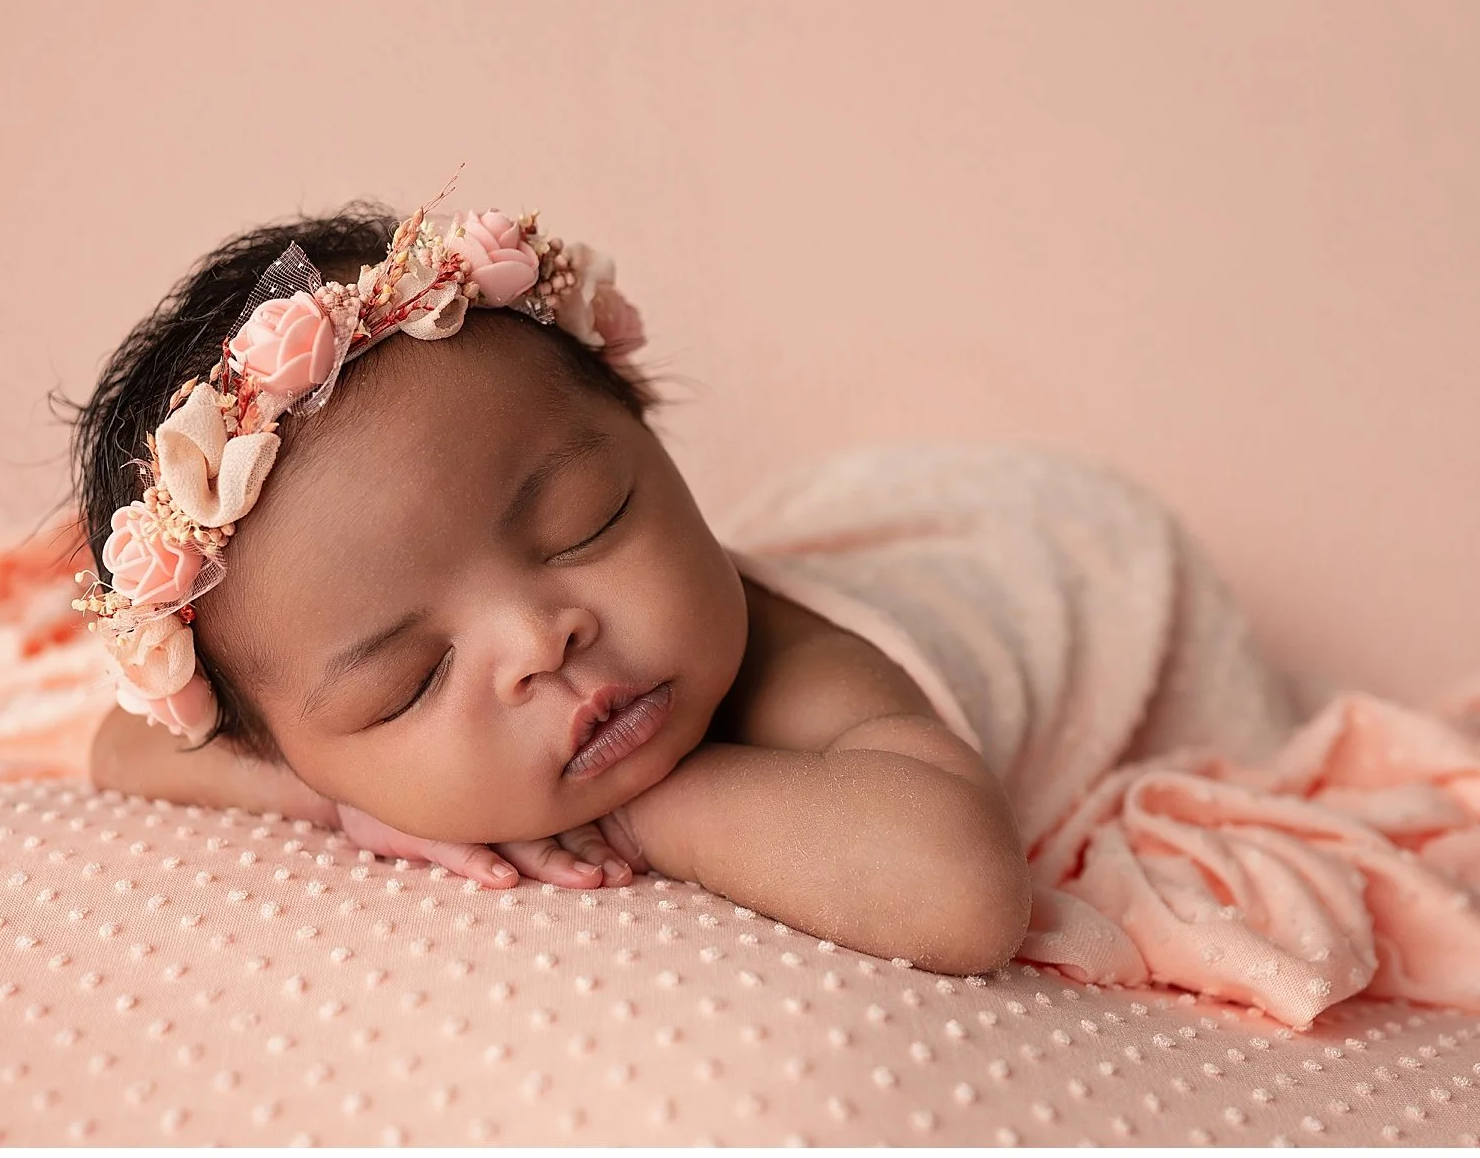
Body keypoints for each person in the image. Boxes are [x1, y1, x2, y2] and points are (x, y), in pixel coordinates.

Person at [69, 176, 1296, 977]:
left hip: (1068, 558)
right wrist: (350, 800)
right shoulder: (306, 742)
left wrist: (631, 808)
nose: (540, 639)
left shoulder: (800, 666)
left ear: (653, 440)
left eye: (582, 522)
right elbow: (121, 751)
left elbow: (957, 896)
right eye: (409, 680)